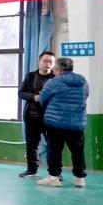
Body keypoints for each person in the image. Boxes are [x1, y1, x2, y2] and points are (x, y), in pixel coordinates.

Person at [37, 57, 89, 188]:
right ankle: (80, 178)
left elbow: (42, 100)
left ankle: (53, 178)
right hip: (77, 123)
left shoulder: (53, 82)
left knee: (54, 151)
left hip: (56, 123)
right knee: (78, 151)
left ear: (58, 69)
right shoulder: (83, 81)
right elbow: (85, 96)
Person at [18, 51, 56, 178]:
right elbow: (21, 93)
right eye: (45, 61)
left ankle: (55, 172)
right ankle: (32, 170)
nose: (48, 64)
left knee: (54, 145)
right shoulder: (30, 76)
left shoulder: (56, 78)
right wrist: (34, 97)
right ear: (39, 61)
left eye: (51, 61)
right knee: (31, 145)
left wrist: (45, 97)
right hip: (31, 116)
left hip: (50, 117)